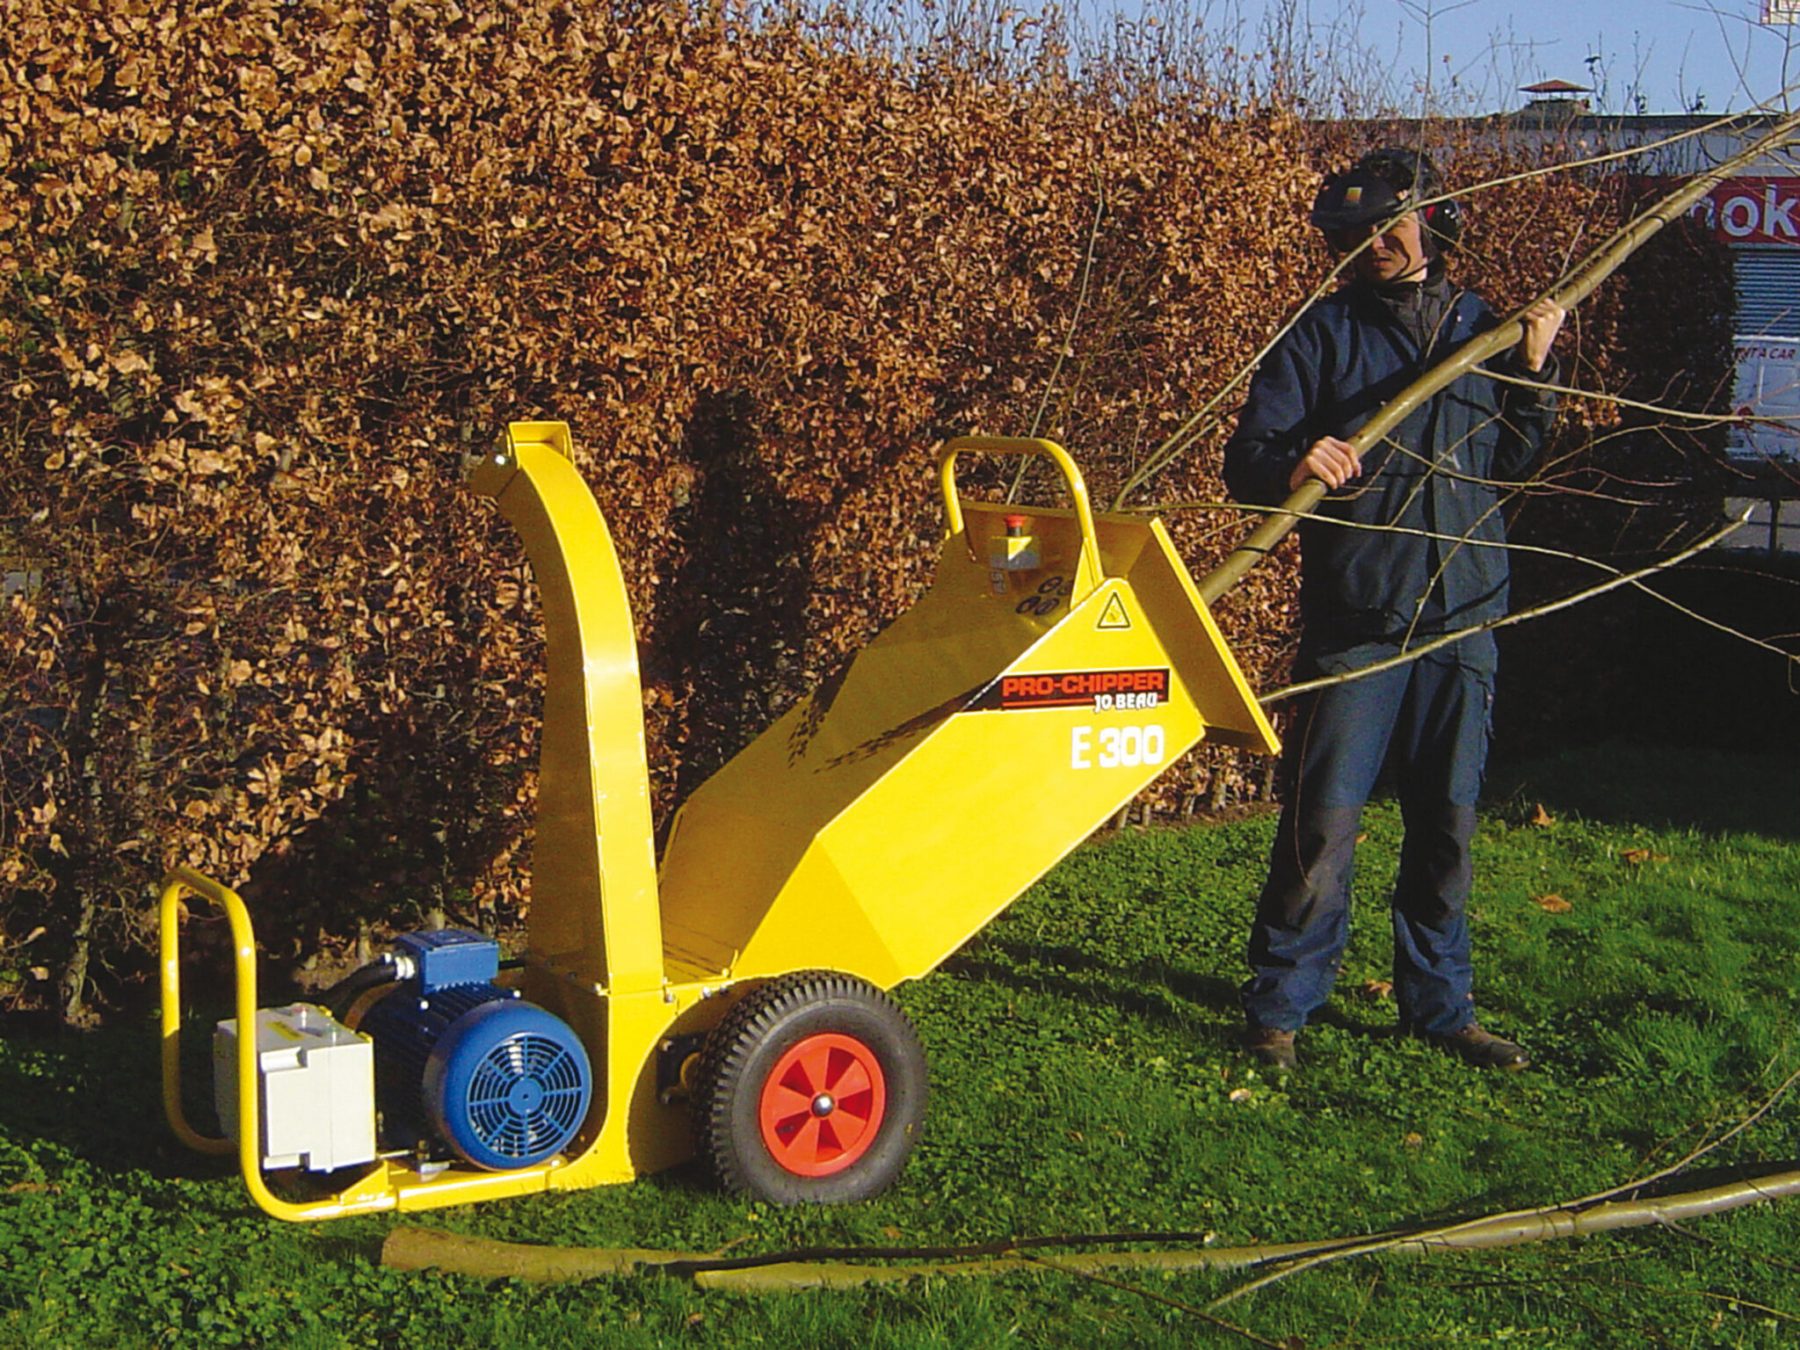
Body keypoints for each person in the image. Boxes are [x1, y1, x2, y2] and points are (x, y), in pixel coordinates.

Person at [1222, 147, 1566, 1074]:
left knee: (1446, 825)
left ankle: (1440, 1008)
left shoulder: (1482, 329)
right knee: (1322, 823)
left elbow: (1515, 462)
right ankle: (1280, 1008)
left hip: (1464, 618)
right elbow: (1247, 461)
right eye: (1356, 233)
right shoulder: (1320, 335)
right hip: (1359, 621)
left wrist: (1532, 371)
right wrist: (1299, 462)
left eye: (1391, 224)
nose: (1375, 243)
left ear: (1433, 222)